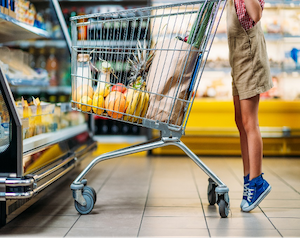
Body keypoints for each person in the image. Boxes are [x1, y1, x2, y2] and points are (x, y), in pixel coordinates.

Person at [227, 0, 272, 212]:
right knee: (240, 121)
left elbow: (256, 15)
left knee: (249, 122)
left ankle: (257, 182)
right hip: (238, 59)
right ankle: (248, 180)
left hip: (250, 58)